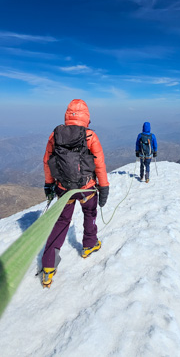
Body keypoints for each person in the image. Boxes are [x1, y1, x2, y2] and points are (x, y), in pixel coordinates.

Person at [41, 99, 109, 288]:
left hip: (64, 189)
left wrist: (49, 184)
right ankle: (89, 244)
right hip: (86, 188)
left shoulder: (55, 135)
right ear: (86, 117)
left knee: (62, 222)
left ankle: (48, 265)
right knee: (90, 213)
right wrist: (104, 187)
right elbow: (99, 164)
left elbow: (47, 161)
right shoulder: (90, 136)